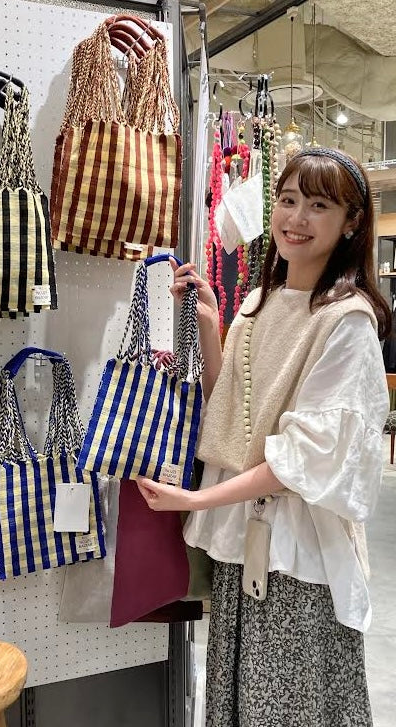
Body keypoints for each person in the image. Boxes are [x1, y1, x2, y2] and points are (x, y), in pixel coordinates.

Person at [137, 148, 390, 726]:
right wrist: (210, 326)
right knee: (242, 700)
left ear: (351, 222)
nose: (296, 219)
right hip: (245, 540)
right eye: (288, 200)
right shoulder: (260, 301)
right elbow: (233, 414)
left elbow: (304, 461)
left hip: (295, 550)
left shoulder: (347, 321)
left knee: (287, 706)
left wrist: (196, 499)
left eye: (318, 206)